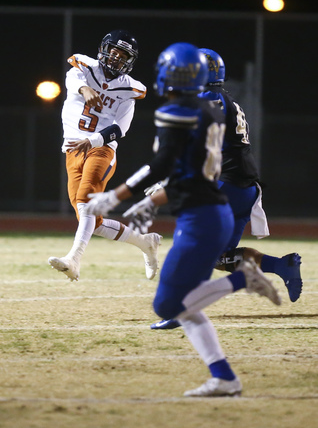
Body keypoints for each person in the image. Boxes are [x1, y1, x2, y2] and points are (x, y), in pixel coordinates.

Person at [86, 42, 281, 397]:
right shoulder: (209, 111)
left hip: (201, 219)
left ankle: (244, 280)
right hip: (209, 210)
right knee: (186, 305)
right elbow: (189, 175)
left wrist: (116, 195)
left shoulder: (180, 111)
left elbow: (161, 168)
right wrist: (156, 200)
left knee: (168, 305)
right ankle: (224, 377)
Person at [148, 47, 302, 330]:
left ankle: (179, 308)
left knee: (194, 246)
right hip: (243, 187)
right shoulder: (222, 97)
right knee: (220, 257)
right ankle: (282, 266)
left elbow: (198, 148)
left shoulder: (208, 98)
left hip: (226, 185)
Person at [48, 30, 162, 282]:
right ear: (104, 49)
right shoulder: (84, 67)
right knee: (92, 222)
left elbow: (120, 129)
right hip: (72, 149)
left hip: (101, 149)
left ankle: (73, 259)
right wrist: (84, 89)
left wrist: (93, 140)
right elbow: (71, 78)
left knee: (86, 202)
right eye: (114, 51)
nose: (116, 58)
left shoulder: (129, 89)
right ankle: (146, 243)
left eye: (123, 55)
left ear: (130, 61)